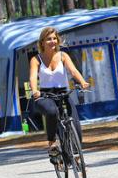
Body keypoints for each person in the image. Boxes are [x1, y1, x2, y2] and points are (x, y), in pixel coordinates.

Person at [28, 27, 90, 163]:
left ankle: (76, 157)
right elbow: (33, 77)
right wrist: (34, 91)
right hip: (45, 95)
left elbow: (73, 71)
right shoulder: (36, 59)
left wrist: (82, 81)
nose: (52, 41)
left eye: (54, 38)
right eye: (49, 39)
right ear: (42, 42)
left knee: (76, 125)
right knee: (51, 112)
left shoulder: (63, 56)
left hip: (63, 93)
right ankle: (52, 143)